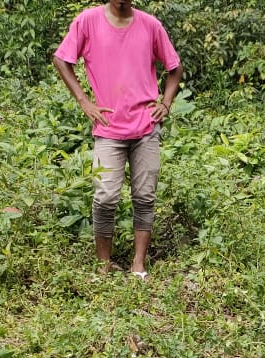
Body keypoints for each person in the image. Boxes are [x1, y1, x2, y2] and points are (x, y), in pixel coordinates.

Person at [54, 0, 182, 278]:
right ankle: (103, 265)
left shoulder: (150, 25)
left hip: (146, 127)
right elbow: (61, 59)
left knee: (145, 195)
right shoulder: (88, 21)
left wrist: (166, 102)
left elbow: (175, 68)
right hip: (108, 128)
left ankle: (138, 263)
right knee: (105, 197)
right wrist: (84, 101)